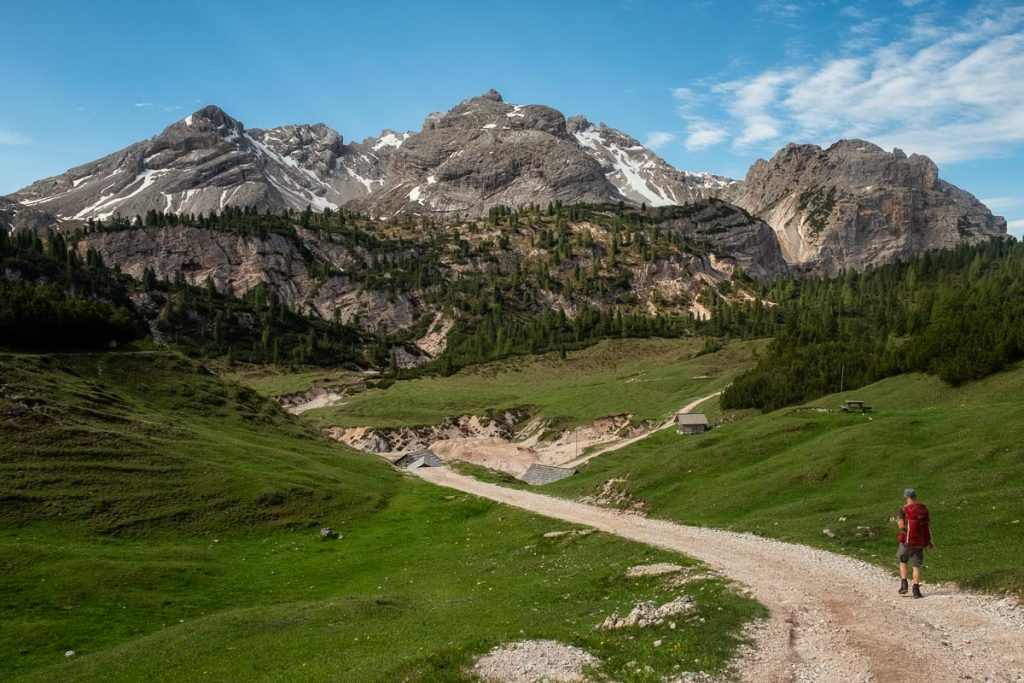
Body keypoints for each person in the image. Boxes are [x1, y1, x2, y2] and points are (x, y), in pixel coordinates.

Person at [896, 487, 933, 598]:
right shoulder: (922, 508)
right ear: (915, 496)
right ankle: (916, 591)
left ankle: (904, 585)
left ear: (906, 497)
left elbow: (901, 525)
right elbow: (927, 526)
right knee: (916, 565)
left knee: (903, 560)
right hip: (920, 542)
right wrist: (929, 541)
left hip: (907, 541)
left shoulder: (902, 509)